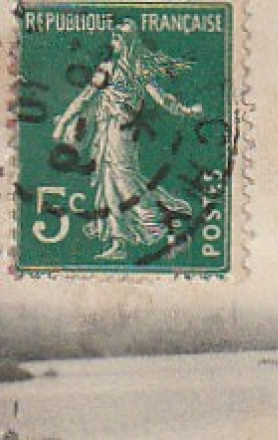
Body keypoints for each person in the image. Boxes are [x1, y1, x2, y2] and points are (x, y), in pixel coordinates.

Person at [52, 20, 203, 261]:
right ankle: (120, 239)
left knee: (122, 180)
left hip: (121, 133)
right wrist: (63, 123)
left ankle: (157, 223)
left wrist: (185, 110)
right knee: (110, 180)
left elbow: (161, 97)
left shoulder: (132, 70)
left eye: (117, 37)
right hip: (107, 131)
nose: (113, 42)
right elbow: (85, 99)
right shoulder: (111, 69)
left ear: (127, 41)